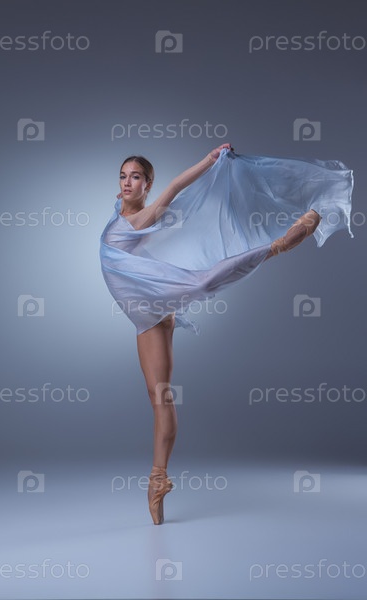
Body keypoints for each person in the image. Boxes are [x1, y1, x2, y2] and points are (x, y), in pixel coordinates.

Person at [100, 143, 353, 525]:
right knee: (160, 397)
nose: (127, 182)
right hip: (147, 316)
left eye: (136, 177)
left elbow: (176, 187)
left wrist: (208, 160)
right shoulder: (119, 211)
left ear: (148, 184)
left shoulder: (145, 216)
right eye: (123, 176)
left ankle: (278, 245)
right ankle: (158, 480)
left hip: (157, 298)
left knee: (202, 283)